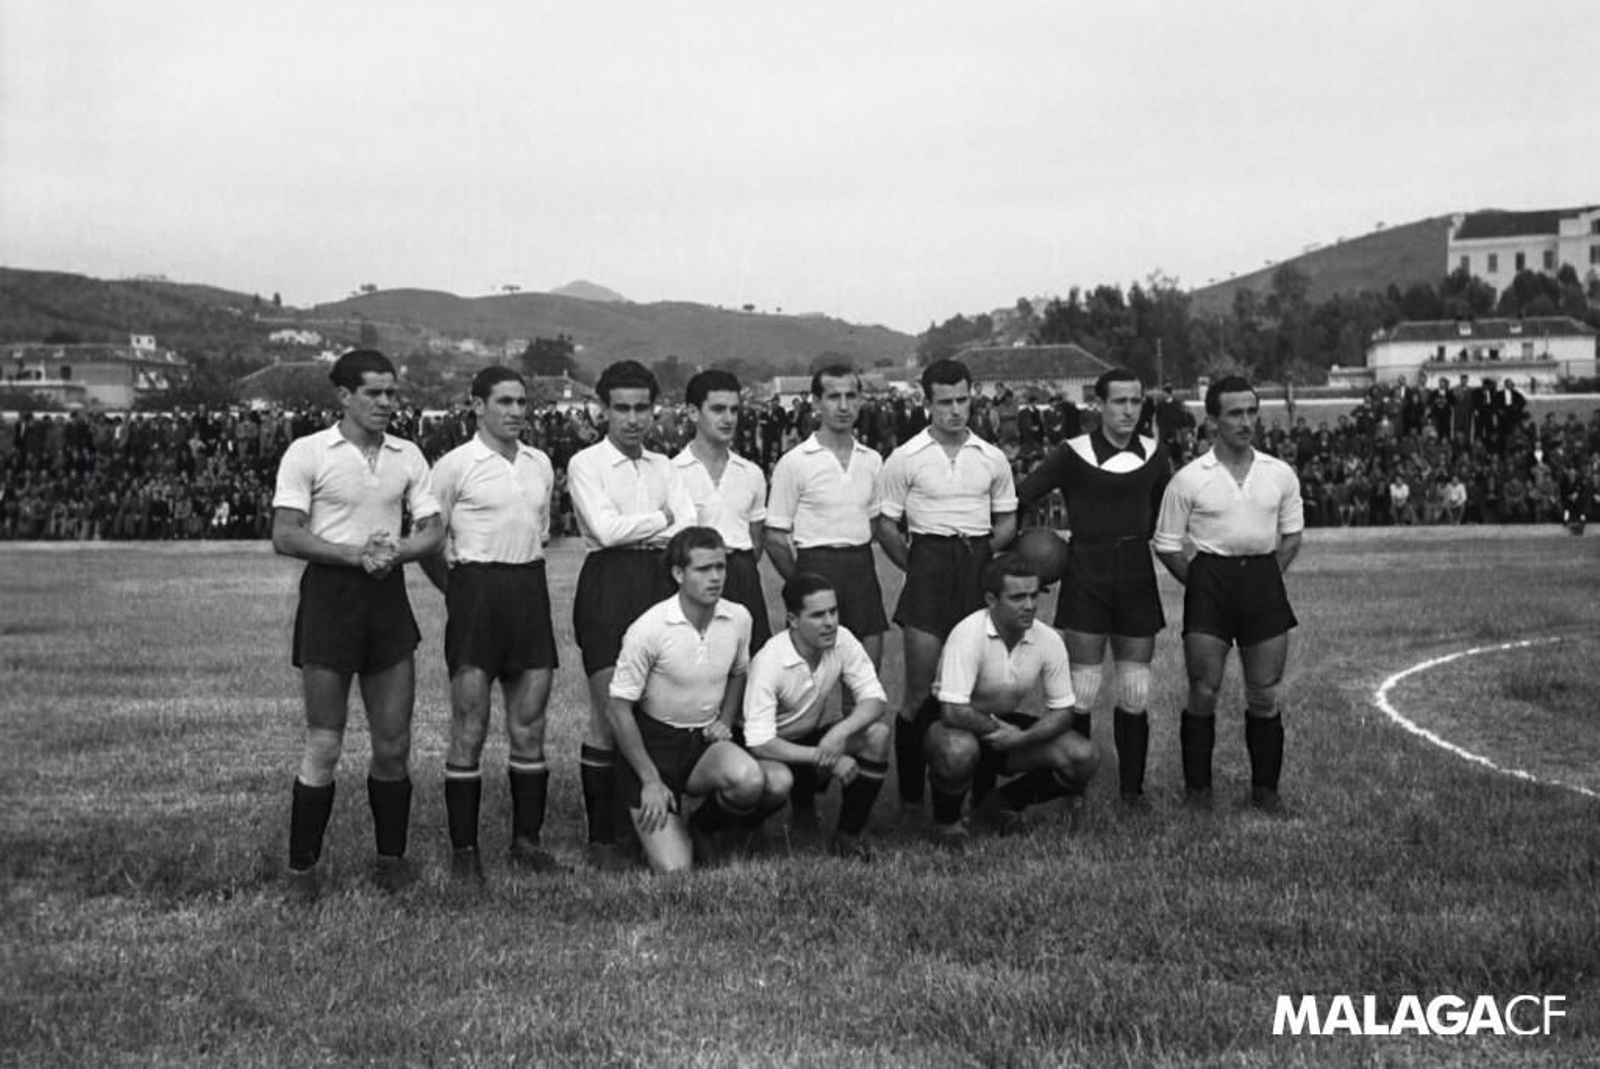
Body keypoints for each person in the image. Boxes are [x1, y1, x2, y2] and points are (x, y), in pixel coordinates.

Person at [271, 349, 444, 898]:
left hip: (387, 598)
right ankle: (302, 871)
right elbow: (285, 534)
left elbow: (433, 529)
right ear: (344, 396)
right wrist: (355, 555)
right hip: (331, 598)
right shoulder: (308, 452)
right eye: (374, 393)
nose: (386, 403)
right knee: (325, 741)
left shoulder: (407, 454)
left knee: (393, 744)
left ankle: (391, 862)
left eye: (392, 393)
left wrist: (397, 551)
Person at [420, 366, 563, 882]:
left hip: (528, 590)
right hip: (475, 592)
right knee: (470, 725)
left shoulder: (539, 463)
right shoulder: (454, 466)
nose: (516, 411)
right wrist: (460, 593)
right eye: (504, 401)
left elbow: (540, 533)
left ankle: (527, 842)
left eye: (522, 402)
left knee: (530, 724)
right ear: (477, 406)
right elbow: (430, 543)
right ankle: (465, 852)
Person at [1015, 368, 1170, 807]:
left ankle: (1132, 793)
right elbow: (1022, 495)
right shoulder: (1072, 452)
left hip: (1136, 570)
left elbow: (1163, 508)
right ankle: (1073, 789)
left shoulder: (1155, 454)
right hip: (1086, 569)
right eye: (1119, 401)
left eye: (1135, 401)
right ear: (1099, 405)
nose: (1128, 410)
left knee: (1135, 688)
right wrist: (1022, 558)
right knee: (1082, 688)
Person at [1153, 375, 1304, 814]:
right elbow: (1166, 545)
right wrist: (1204, 585)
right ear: (1213, 420)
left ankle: (1266, 791)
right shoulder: (1189, 479)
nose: (1245, 421)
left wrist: (1263, 579)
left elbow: (1291, 537)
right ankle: (1198, 791)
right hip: (1210, 582)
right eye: (1235, 413)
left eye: (1252, 411)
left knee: (1264, 692)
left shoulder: (1279, 473)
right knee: (1204, 689)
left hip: (1262, 581)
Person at [567, 361, 696, 869]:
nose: (633, 418)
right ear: (603, 410)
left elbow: (690, 525)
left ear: (654, 409)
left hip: (660, 582)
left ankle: (646, 825)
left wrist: (644, 526)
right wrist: (662, 519)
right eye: (622, 408)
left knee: (655, 706)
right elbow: (604, 531)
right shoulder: (585, 463)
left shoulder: (665, 466)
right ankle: (603, 837)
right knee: (609, 712)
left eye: (642, 407)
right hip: (607, 585)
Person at [876, 358, 1017, 811]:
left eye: (962, 400)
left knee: (981, 688)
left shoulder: (991, 457)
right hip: (928, 563)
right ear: (927, 403)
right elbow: (886, 525)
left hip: (977, 562)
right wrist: (918, 566)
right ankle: (912, 798)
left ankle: (983, 793)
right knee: (920, 691)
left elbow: (1008, 519)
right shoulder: (905, 457)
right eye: (944, 402)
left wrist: (983, 555)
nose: (955, 410)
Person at [764, 365, 888, 820]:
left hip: (861, 570)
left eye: (851, 396)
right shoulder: (795, 461)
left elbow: (876, 523)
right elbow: (775, 536)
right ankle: (803, 801)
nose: (843, 405)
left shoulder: (872, 460)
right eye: (833, 396)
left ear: (861, 401)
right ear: (815, 402)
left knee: (862, 689)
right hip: (816, 568)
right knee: (804, 697)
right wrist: (804, 586)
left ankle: (853, 811)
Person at [607, 527, 764, 873]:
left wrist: (726, 719)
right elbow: (617, 710)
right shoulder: (649, 628)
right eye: (703, 569)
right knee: (675, 870)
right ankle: (643, 820)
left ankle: (703, 826)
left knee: (750, 780)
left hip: (703, 743)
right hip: (655, 747)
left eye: (720, 567)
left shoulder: (739, 618)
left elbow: (739, 671)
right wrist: (649, 779)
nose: (715, 577)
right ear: (679, 574)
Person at [923, 556, 1099, 845]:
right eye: (1017, 597)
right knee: (957, 750)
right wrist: (1001, 732)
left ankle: (999, 804)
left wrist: (1022, 738)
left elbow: (1063, 712)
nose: (1029, 605)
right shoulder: (968, 634)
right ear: (991, 600)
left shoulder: (1048, 639)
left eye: (1033, 595)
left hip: (1005, 727)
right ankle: (947, 823)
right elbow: (953, 711)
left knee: (1084, 756)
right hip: (951, 724)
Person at [741, 573, 891, 860]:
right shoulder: (770, 662)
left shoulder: (842, 639)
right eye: (818, 615)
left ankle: (848, 835)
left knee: (877, 735)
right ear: (793, 620)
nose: (830, 622)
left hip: (808, 741)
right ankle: (746, 826)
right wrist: (828, 758)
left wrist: (839, 733)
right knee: (777, 782)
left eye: (833, 611)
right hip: (765, 751)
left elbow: (875, 699)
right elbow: (759, 743)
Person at [672, 369, 772, 654]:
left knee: (753, 663)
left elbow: (756, 538)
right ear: (693, 412)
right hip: (692, 579)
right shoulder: (671, 472)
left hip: (742, 576)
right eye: (718, 409)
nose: (728, 419)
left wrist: (736, 569)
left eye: (734, 410)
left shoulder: (751, 473)